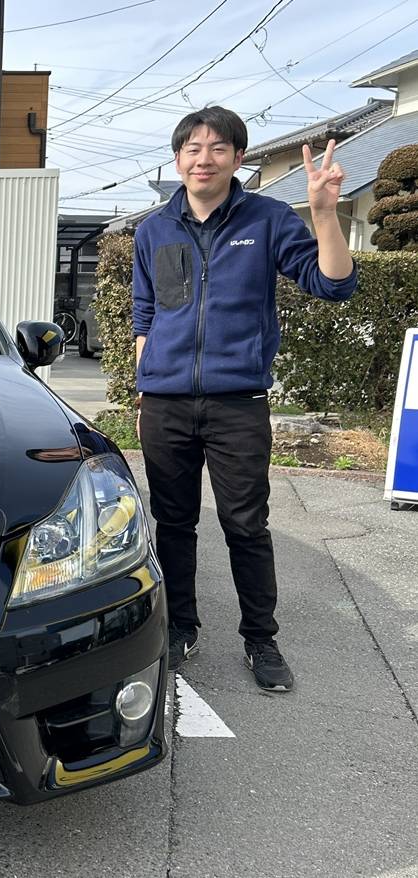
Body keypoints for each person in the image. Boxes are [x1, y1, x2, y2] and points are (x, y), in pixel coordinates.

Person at [132, 106, 356, 692]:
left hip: (238, 403)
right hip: (166, 404)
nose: (203, 158)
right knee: (173, 523)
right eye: (192, 148)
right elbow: (146, 315)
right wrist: (144, 387)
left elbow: (332, 284)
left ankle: (261, 638)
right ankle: (181, 626)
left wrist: (326, 214)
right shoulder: (154, 228)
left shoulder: (270, 219)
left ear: (238, 158)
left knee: (245, 524)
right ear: (178, 158)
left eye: (217, 148)